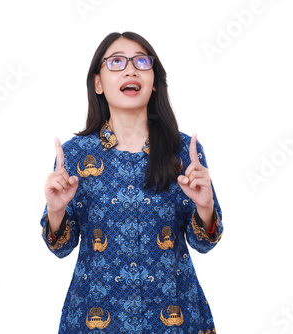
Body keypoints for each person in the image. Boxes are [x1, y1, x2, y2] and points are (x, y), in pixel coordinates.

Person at [40, 31, 223, 333]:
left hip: (174, 316)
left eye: (141, 61)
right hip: (95, 318)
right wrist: (56, 212)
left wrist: (205, 208)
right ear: (98, 83)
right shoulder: (74, 156)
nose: (130, 69)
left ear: (153, 81)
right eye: (116, 62)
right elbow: (61, 248)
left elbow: (205, 242)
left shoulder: (183, 151)